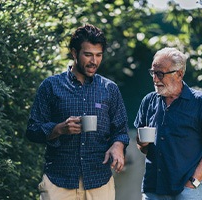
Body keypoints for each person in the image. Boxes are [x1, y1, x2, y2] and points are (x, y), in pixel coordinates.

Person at [26, 24, 130, 200]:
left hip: (99, 180)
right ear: (74, 53)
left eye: (98, 55)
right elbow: (32, 130)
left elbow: (120, 130)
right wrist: (59, 129)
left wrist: (118, 146)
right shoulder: (51, 86)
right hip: (59, 180)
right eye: (88, 54)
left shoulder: (109, 89)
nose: (94, 61)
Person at [134, 47, 202, 200]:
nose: (155, 79)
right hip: (153, 188)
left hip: (186, 191)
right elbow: (143, 148)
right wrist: (141, 142)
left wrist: (194, 182)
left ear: (179, 74)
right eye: (153, 73)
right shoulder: (148, 101)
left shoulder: (200, 101)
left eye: (160, 74)